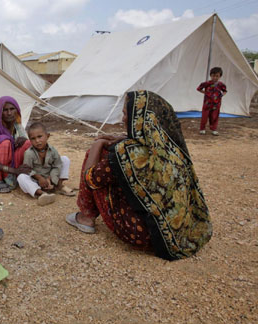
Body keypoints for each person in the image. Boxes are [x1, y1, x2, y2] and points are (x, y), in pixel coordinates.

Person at [65, 90, 212, 261]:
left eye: (127, 114)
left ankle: (86, 217)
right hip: (179, 234)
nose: (123, 119)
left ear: (139, 117)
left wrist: (98, 143)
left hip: (142, 234)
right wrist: (123, 138)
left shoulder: (127, 154)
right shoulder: (170, 147)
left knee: (97, 155)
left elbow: (89, 179)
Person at [16, 122, 75, 206]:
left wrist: (51, 179)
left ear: (47, 136)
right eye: (33, 138)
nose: (37, 141)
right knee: (21, 177)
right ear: (30, 140)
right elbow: (27, 169)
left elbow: (57, 166)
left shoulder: (52, 150)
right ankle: (42, 193)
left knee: (65, 159)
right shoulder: (29, 153)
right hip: (36, 180)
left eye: (40, 137)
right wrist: (39, 178)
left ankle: (58, 186)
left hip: (50, 177)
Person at [197, 67, 227, 136]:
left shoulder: (221, 85)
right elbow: (199, 88)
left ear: (220, 76)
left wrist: (222, 95)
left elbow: (225, 91)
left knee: (214, 117)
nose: (215, 78)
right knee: (204, 116)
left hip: (216, 104)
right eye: (213, 76)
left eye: (217, 76)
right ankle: (202, 129)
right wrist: (205, 92)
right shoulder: (206, 83)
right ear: (210, 75)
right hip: (207, 104)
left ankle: (214, 129)